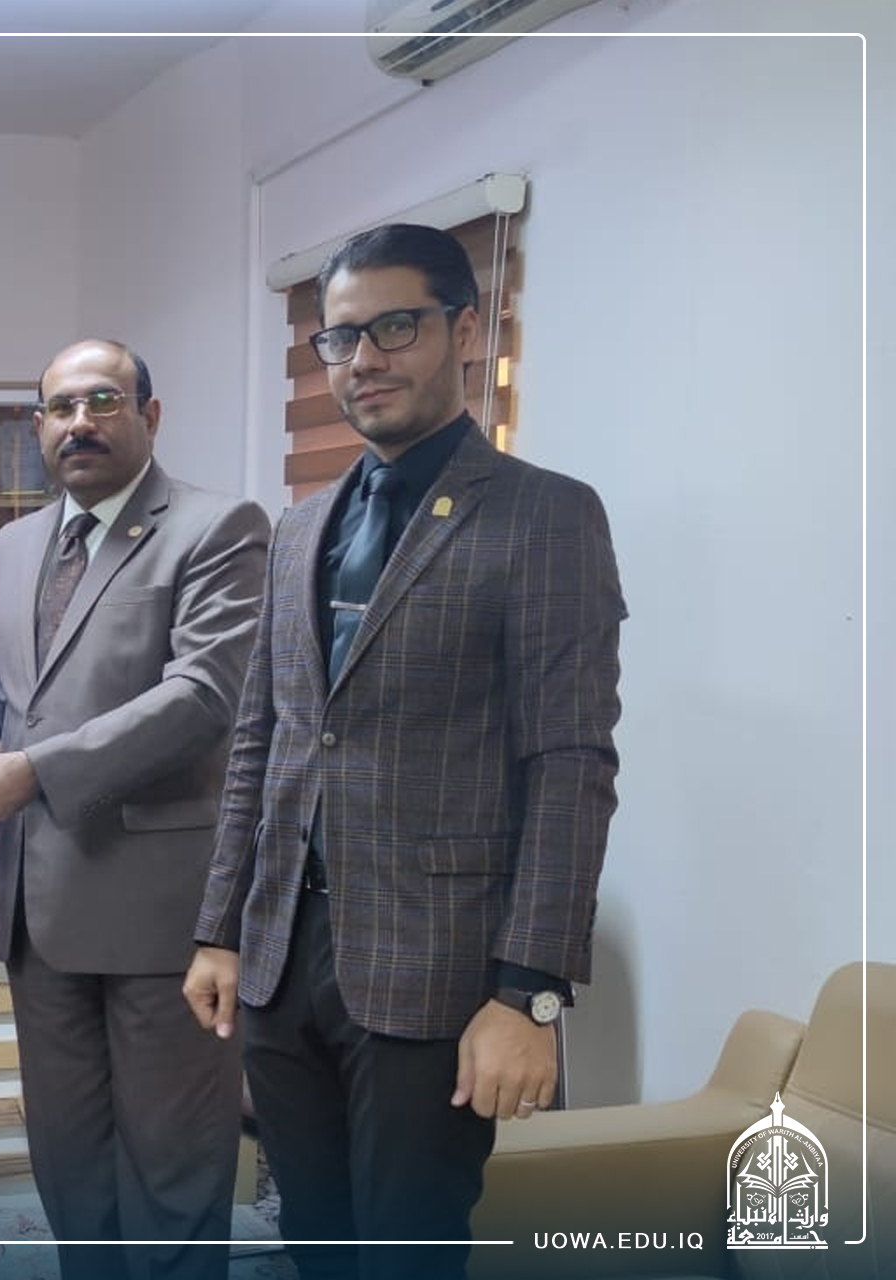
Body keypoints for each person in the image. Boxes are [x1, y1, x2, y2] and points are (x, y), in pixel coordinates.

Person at [184, 224, 627, 1280]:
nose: (363, 360)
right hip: (284, 958)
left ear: (464, 330)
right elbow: (263, 740)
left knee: (405, 1247)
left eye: (394, 328)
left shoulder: (545, 515)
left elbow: (571, 765)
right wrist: (220, 929)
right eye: (341, 338)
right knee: (315, 1235)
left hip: (435, 973)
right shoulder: (301, 528)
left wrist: (528, 996)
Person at [0, 340, 270, 1280]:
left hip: (161, 919)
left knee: (171, 1175)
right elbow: (12, 695)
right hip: (37, 914)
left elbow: (204, 696)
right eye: (60, 407)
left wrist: (34, 773)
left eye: (103, 401)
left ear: (149, 416)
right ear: (38, 427)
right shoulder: (16, 544)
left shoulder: (218, 526)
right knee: (71, 1171)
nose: (80, 422)